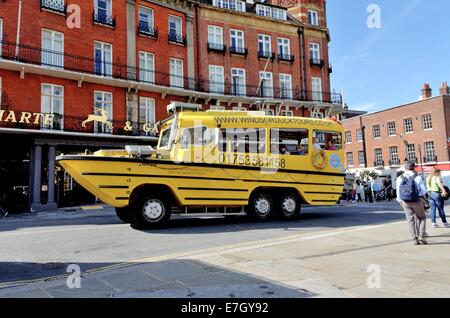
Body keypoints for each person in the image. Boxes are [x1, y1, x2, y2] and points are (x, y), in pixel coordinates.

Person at [396, 161, 428, 245]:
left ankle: (414, 239)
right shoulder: (417, 177)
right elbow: (424, 191)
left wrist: (400, 201)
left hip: (405, 201)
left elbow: (398, 192)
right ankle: (421, 236)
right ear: (413, 167)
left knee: (410, 220)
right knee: (422, 217)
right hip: (416, 200)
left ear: (405, 167)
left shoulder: (400, 178)